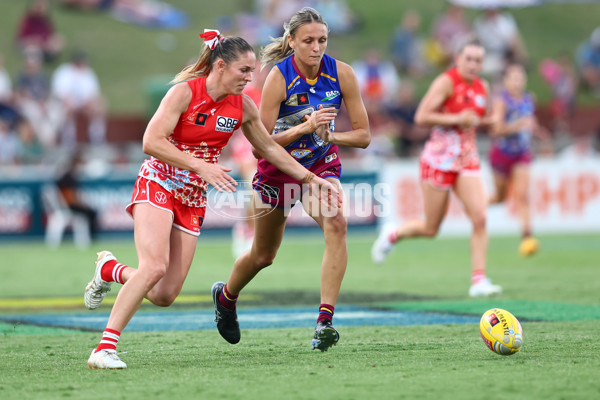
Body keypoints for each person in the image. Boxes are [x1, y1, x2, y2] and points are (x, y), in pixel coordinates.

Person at [83, 29, 340, 369]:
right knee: (155, 266)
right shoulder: (183, 93)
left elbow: (267, 149)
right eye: (243, 71)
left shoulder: (243, 106)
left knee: (164, 294)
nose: (250, 79)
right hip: (158, 181)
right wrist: (200, 165)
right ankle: (104, 349)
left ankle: (110, 269)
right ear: (220, 66)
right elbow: (151, 141)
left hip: (192, 197)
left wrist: (310, 178)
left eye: (252, 72)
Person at [210, 7, 370, 352]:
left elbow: (364, 136)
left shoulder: (342, 74)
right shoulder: (278, 78)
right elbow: (260, 145)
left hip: (321, 167)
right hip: (277, 171)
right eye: (309, 41)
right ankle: (226, 297)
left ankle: (324, 321)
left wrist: (330, 137)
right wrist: (304, 127)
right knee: (263, 255)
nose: (317, 47)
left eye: (322, 40)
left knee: (337, 222)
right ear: (292, 42)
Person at [371, 39, 502, 298]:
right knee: (431, 228)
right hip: (439, 159)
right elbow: (421, 117)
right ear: (458, 59)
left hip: (467, 160)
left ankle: (479, 280)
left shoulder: (482, 87)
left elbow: (480, 121)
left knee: (480, 217)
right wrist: (456, 118)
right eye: (469, 59)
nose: (474, 64)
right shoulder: (446, 82)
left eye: (479, 60)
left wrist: (491, 120)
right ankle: (393, 233)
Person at [488, 63, 549, 257]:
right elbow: (496, 129)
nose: (518, 80)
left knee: (523, 195)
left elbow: (530, 121)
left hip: (522, 153)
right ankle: (476, 204)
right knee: (500, 198)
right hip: (502, 154)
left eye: (520, 76)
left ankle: (527, 237)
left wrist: (538, 132)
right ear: (506, 80)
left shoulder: (529, 99)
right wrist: (519, 125)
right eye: (514, 77)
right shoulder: (501, 101)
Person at [51, 50, 107, 147]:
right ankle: (68, 141)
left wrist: (91, 103)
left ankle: (97, 140)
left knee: (100, 107)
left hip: (84, 103)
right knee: (67, 110)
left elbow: (94, 94)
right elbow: (60, 93)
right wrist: (71, 103)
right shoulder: (64, 72)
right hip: (67, 103)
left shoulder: (88, 73)